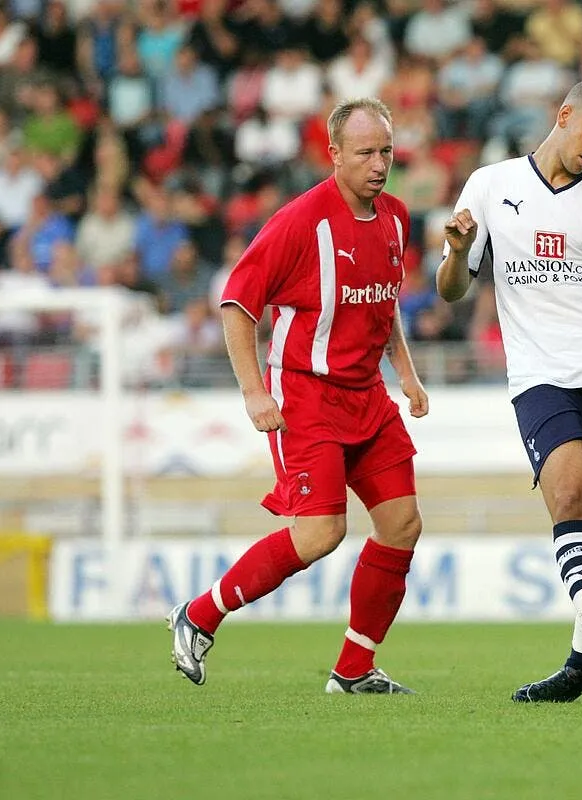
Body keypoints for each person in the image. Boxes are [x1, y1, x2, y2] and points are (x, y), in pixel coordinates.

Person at [167, 98, 429, 695]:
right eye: (365, 152)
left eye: (386, 151)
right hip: (306, 396)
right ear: (333, 153)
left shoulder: (394, 217)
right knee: (320, 534)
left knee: (403, 524)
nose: (379, 164)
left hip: (368, 397)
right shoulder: (300, 221)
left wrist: (406, 375)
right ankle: (199, 615)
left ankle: (354, 670)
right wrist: (253, 391)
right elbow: (236, 304)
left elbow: (382, 303)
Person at [436, 79, 582, 702]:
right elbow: (452, 290)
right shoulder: (491, 184)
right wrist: (457, 252)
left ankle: (580, 665)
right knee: (569, 493)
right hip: (539, 374)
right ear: (563, 115)